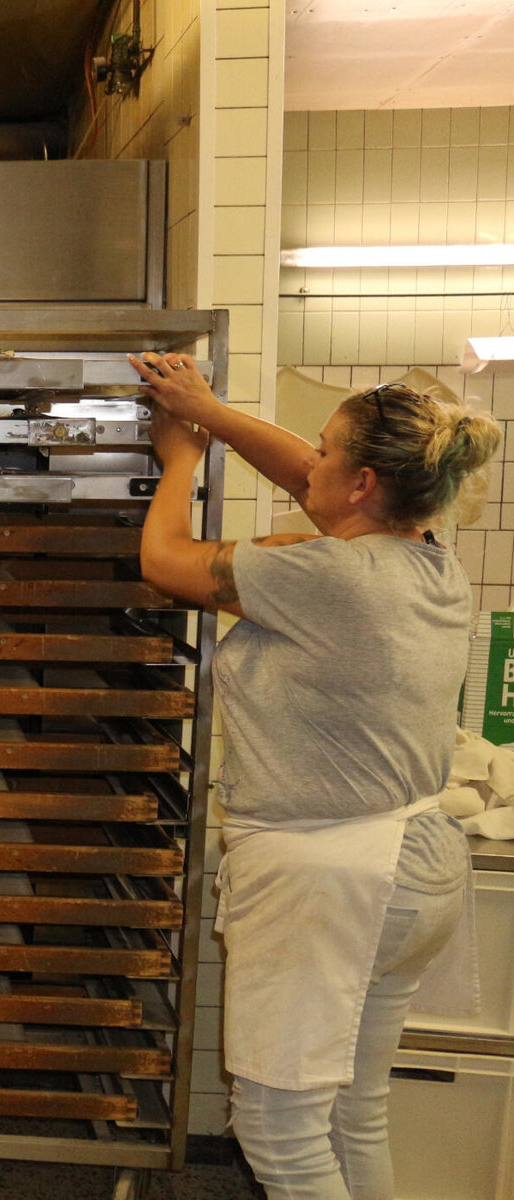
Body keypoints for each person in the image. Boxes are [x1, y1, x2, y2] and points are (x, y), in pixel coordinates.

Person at [128, 352, 496, 1200]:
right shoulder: (432, 560)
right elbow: (306, 473)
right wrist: (209, 411)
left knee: (279, 1131)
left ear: (365, 483)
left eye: (327, 453)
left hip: (333, 881)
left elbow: (164, 561)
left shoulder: (325, 575)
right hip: (413, 866)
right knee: (351, 1114)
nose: (309, 463)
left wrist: (180, 456)